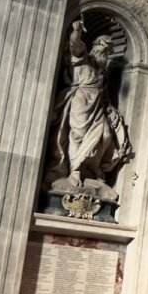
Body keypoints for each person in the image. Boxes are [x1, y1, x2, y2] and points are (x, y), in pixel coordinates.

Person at [49, 19, 132, 190]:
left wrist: (109, 108)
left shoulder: (102, 72)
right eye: (105, 49)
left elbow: (105, 94)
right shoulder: (83, 59)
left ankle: (94, 168)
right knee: (77, 136)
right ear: (96, 47)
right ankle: (75, 169)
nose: (106, 54)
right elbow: (74, 45)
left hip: (97, 106)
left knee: (106, 134)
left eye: (109, 52)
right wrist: (77, 31)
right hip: (80, 102)